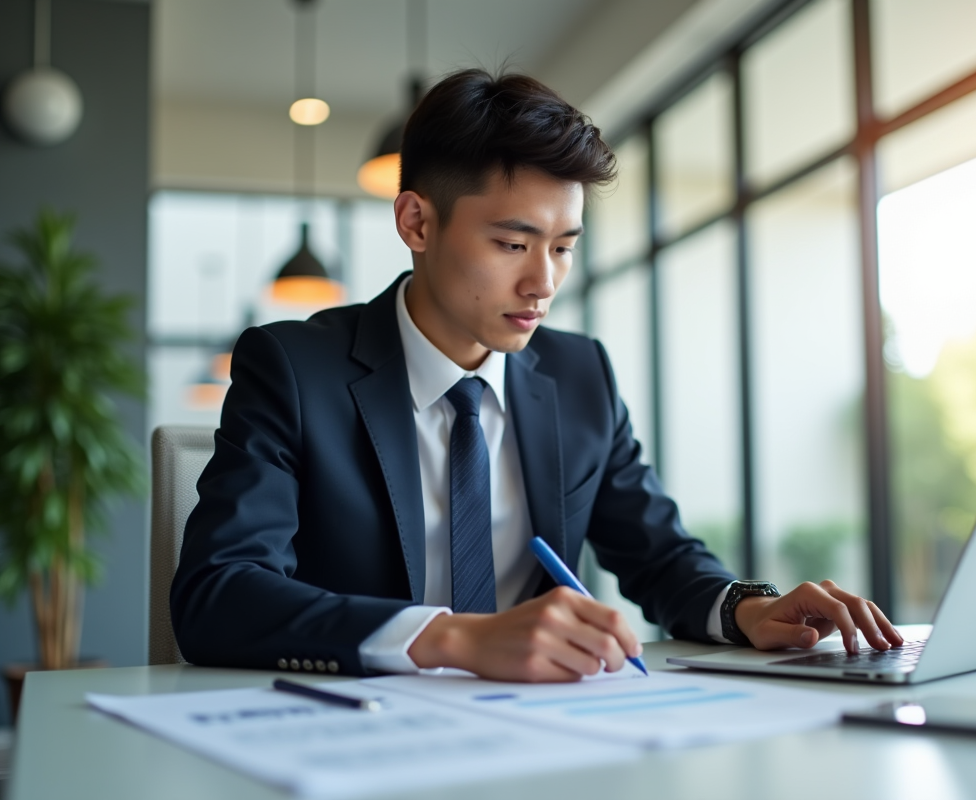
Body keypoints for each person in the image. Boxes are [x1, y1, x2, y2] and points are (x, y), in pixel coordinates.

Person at [170, 69, 903, 682]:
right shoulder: (295, 370)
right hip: (349, 736)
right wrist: (452, 637)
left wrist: (748, 606)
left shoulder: (580, 373)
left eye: (563, 247)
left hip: (546, 733)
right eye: (513, 243)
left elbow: (661, 557)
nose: (543, 283)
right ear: (416, 224)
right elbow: (217, 593)